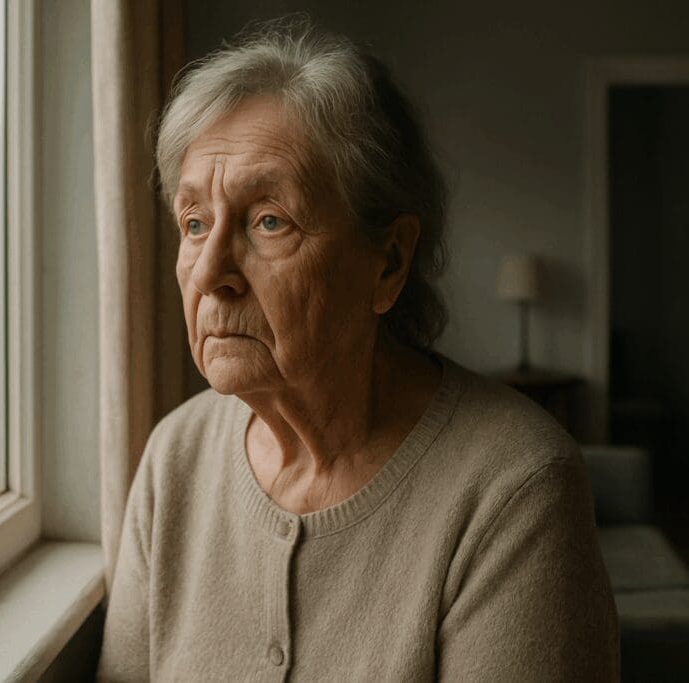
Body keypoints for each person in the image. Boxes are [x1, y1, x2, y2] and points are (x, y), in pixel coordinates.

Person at [98, 18, 619, 682]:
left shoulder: (514, 487)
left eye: (268, 220)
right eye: (195, 222)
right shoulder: (174, 458)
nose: (208, 273)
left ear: (388, 262)